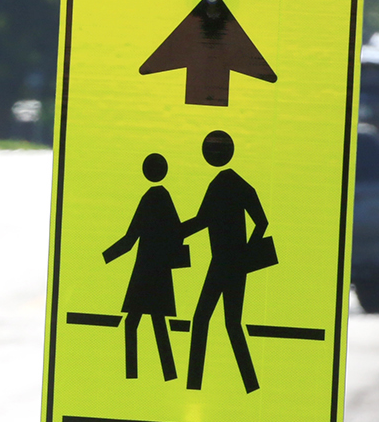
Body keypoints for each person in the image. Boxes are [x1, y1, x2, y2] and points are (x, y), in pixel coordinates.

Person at [180, 130, 274, 393]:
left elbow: (203, 220)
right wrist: (247, 252)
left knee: (204, 320)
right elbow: (205, 220)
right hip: (229, 263)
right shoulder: (232, 184)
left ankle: (194, 384)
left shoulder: (225, 184)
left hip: (224, 263)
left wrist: (173, 232)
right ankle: (250, 385)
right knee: (229, 323)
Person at [102, 153, 188, 381]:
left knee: (132, 324)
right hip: (158, 271)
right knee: (156, 323)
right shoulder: (164, 197)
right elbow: (177, 233)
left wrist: (105, 257)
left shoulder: (151, 198)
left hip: (145, 272)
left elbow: (131, 239)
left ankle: (133, 376)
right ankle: (168, 374)